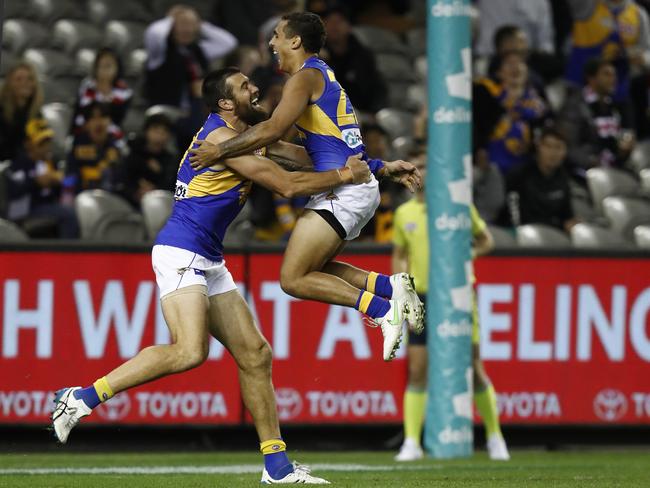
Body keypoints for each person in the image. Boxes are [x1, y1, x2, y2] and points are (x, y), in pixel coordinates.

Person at [51, 67, 376, 484]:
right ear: (225, 103)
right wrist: (348, 176)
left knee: (255, 355)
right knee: (189, 351)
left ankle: (277, 468)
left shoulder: (248, 138)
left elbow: (311, 157)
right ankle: (79, 398)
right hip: (181, 251)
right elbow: (288, 186)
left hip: (208, 256)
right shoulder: (220, 139)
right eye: (244, 87)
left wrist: (379, 167)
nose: (254, 89)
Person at [188, 12, 425, 361]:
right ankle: (389, 287)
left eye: (278, 36)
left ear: (295, 42)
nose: (272, 43)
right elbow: (317, 149)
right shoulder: (322, 78)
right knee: (313, 268)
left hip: (344, 192)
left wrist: (219, 150)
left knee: (293, 279)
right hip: (355, 188)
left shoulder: (304, 78)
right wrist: (383, 167)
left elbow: (273, 130)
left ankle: (380, 309)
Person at [392, 150, 510, 462]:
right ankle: (412, 443)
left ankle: (496, 437)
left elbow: (486, 241)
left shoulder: (459, 208)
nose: (425, 173)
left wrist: (463, 258)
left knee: (472, 368)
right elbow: (399, 255)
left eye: (430, 167)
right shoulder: (404, 214)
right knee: (418, 369)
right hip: (422, 297)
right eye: (421, 168)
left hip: (457, 295)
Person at [559, 57, 635, 175]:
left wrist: (624, 150)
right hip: (587, 172)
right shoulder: (575, 105)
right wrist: (592, 163)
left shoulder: (612, 105)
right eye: (606, 74)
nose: (613, 79)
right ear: (591, 78)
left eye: (614, 75)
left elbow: (614, 142)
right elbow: (568, 146)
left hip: (613, 169)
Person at [5, 119, 78, 238]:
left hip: (49, 205)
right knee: (68, 214)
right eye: (41, 143)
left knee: (73, 206)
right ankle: (67, 252)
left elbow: (64, 186)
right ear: (28, 143)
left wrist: (61, 182)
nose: (46, 147)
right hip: (26, 209)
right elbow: (15, 192)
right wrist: (36, 182)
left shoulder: (50, 163)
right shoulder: (19, 165)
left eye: (47, 142)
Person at [565, 0, 650, 100]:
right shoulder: (588, 4)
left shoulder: (638, 13)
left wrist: (641, 58)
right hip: (580, 84)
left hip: (618, 90)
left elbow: (646, 52)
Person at [504, 126, 579, 232]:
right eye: (548, 146)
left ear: (565, 152)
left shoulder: (564, 178)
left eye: (558, 147)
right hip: (523, 236)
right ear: (539, 147)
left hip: (554, 237)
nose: (553, 153)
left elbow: (566, 215)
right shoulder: (518, 176)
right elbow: (513, 217)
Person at [63, 102, 124, 195]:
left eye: (103, 117)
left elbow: (120, 178)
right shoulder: (77, 145)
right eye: (93, 118)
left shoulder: (116, 146)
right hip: (82, 197)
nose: (99, 122)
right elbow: (69, 176)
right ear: (86, 124)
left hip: (110, 198)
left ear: (110, 121)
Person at [71, 48, 132, 137]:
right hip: (85, 131)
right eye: (101, 66)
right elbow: (78, 114)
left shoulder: (124, 92)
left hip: (111, 135)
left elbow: (119, 120)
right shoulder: (86, 87)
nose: (104, 70)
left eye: (108, 66)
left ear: (117, 68)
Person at [123, 113, 178, 207]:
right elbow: (124, 181)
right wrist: (135, 192)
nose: (159, 137)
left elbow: (173, 187)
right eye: (155, 131)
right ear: (146, 131)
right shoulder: (134, 153)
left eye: (164, 132)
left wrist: (155, 188)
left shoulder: (171, 160)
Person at [0, 62, 43, 160]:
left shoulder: (36, 113)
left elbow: (42, 144)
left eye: (30, 79)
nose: (25, 83)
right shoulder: (1, 111)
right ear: (9, 84)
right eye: (19, 79)